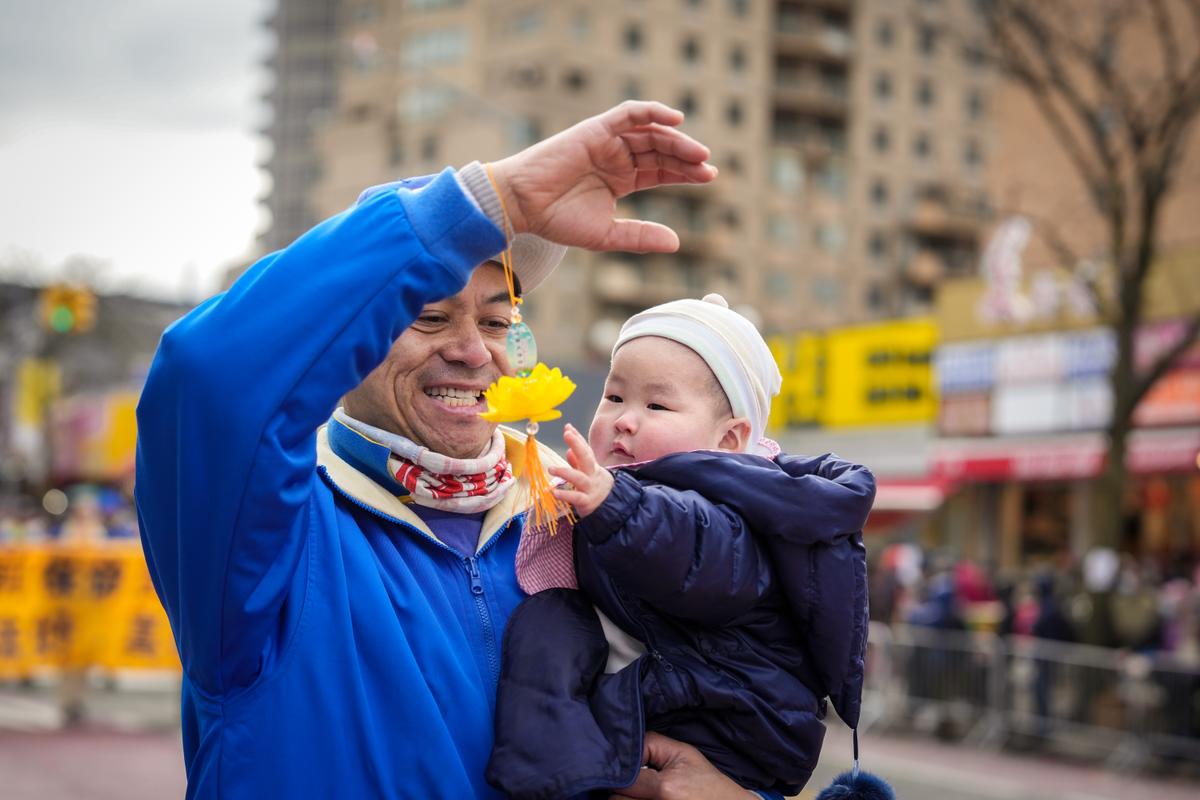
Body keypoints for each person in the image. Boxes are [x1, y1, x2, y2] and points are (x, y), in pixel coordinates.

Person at [135, 101, 778, 799]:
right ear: (350, 341)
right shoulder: (269, 545)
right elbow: (209, 382)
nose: (474, 352)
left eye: (498, 320)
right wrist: (490, 202)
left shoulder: (581, 527)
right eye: (429, 317)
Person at [486, 295, 876, 798]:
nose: (625, 420)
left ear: (730, 440)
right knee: (551, 622)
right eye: (614, 397)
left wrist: (616, 504)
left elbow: (698, 556)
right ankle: (548, 767)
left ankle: (557, 768)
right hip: (681, 695)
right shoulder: (618, 496)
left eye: (656, 405)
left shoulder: (733, 506)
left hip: (735, 715)